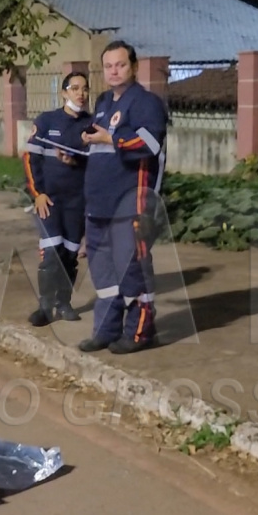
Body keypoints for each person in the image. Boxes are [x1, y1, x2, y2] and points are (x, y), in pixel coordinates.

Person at [78, 41, 168, 354]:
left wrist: (110, 137)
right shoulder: (103, 102)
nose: (114, 71)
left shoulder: (146, 103)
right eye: (108, 66)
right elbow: (98, 150)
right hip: (99, 206)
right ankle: (106, 330)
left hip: (130, 203)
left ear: (134, 66)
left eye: (120, 65)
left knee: (132, 271)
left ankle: (141, 332)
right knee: (104, 276)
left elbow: (150, 145)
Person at [22, 71, 92, 326]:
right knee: (52, 251)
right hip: (49, 201)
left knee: (70, 254)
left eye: (85, 89)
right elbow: (30, 159)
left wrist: (74, 161)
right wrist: (37, 194)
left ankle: (64, 302)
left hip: (77, 203)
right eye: (75, 88)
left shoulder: (91, 125)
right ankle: (44, 306)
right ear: (64, 93)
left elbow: (95, 166)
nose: (80, 94)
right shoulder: (46, 120)